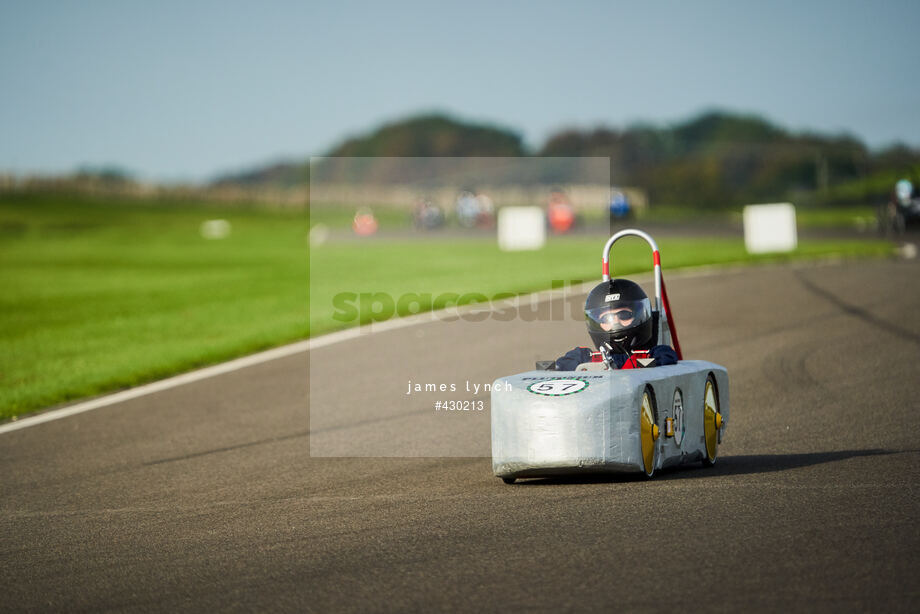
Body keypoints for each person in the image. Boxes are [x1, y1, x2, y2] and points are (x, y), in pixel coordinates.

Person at [555, 279, 678, 370]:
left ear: (640, 315)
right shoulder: (584, 357)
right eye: (606, 318)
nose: (616, 322)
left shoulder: (656, 354)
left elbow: (667, 360)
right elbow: (558, 368)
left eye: (624, 315)